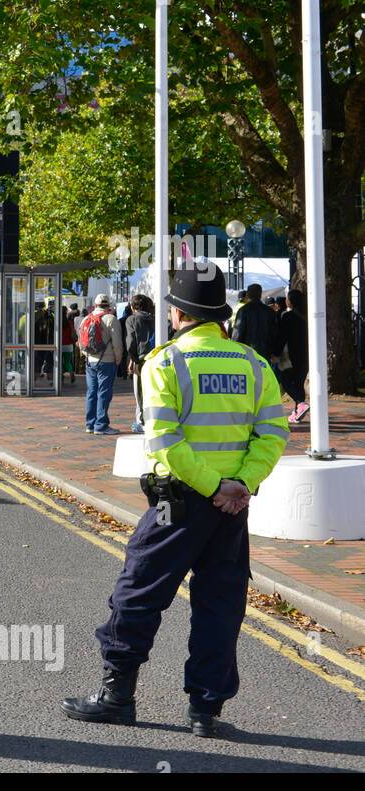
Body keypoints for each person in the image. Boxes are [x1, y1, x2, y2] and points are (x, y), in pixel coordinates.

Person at [62, 262, 288, 738]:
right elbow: (272, 435)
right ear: (218, 315)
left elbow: (165, 442)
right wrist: (239, 485)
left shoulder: (165, 363)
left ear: (179, 313)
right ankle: (205, 712)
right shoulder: (253, 364)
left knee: (138, 592)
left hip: (177, 504)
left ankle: (116, 696)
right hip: (232, 509)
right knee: (220, 604)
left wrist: (211, 487)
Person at [80, 293, 124, 434]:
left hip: (90, 361)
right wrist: (118, 360)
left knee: (92, 392)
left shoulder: (86, 319)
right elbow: (117, 344)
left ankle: (90, 425)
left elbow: (81, 342)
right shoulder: (111, 319)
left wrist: (87, 356)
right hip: (107, 361)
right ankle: (101, 425)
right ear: (108, 305)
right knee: (104, 393)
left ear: (95, 305)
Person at [123, 294, 156, 434]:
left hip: (141, 360)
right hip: (158, 358)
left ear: (133, 307)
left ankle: (142, 422)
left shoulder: (132, 319)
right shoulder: (158, 318)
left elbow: (131, 343)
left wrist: (134, 360)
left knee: (140, 393)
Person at [231, 284, 279, 373]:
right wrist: (274, 352)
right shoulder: (269, 312)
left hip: (247, 354)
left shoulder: (243, 311)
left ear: (248, 295)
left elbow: (237, 334)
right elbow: (275, 333)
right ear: (261, 294)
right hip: (265, 353)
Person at [280, 289, 309, 423]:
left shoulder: (288, 317)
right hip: (308, 354)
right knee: (299, 382)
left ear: (291, 301)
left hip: (293, 355)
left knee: (286, 381)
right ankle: (298, 410)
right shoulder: (308, 316)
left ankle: (301, 404)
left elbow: (282, 337)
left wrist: (276, 352)